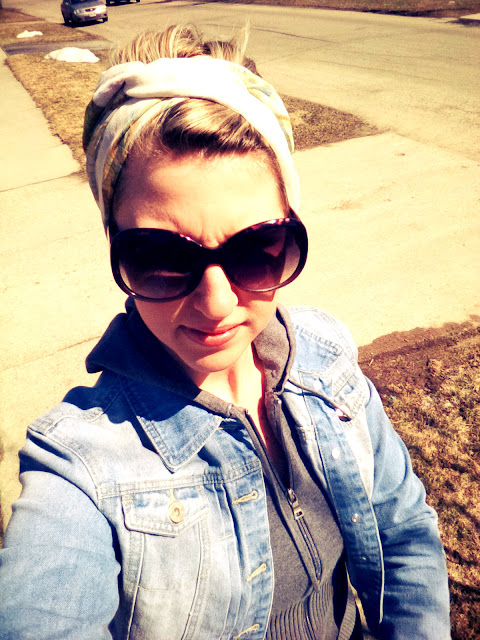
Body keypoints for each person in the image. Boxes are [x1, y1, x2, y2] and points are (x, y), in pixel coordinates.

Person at [0, 24, 450, 640]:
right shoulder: (82, 464)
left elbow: (404, 531)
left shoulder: (325, 354)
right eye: (160, 257)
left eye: (255, 249)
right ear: (114, 243)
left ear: (289, 225)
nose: (216, 305)